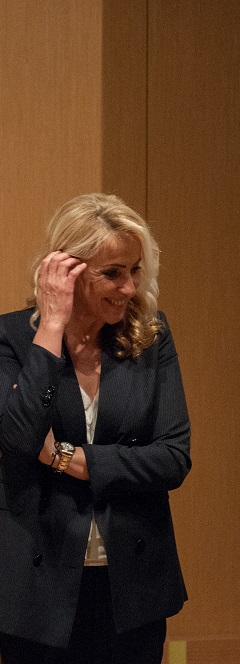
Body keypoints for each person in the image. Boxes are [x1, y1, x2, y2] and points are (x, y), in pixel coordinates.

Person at [0, 193, 192, 663]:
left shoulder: (152, 336)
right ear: (67, 270)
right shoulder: (12, 338)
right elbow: (19, 440)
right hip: (38, 587)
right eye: (113, 273)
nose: (129, 287)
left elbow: (173, 458)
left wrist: (65, 458)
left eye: (135, 270)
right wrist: (52, 326)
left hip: (133, 585)